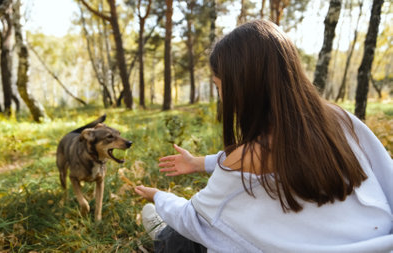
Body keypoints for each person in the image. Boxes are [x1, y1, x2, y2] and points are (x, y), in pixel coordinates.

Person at [134, 19, 393, 253]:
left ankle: (162, 234)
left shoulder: (247, 159)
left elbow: (195, 218)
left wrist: (159, 197)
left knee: (202, 235)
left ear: (241, 87)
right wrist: (200, 163)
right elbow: (385, 173)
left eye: (218, 86)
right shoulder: (340, 120)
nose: (221, 96)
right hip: (381, 239)